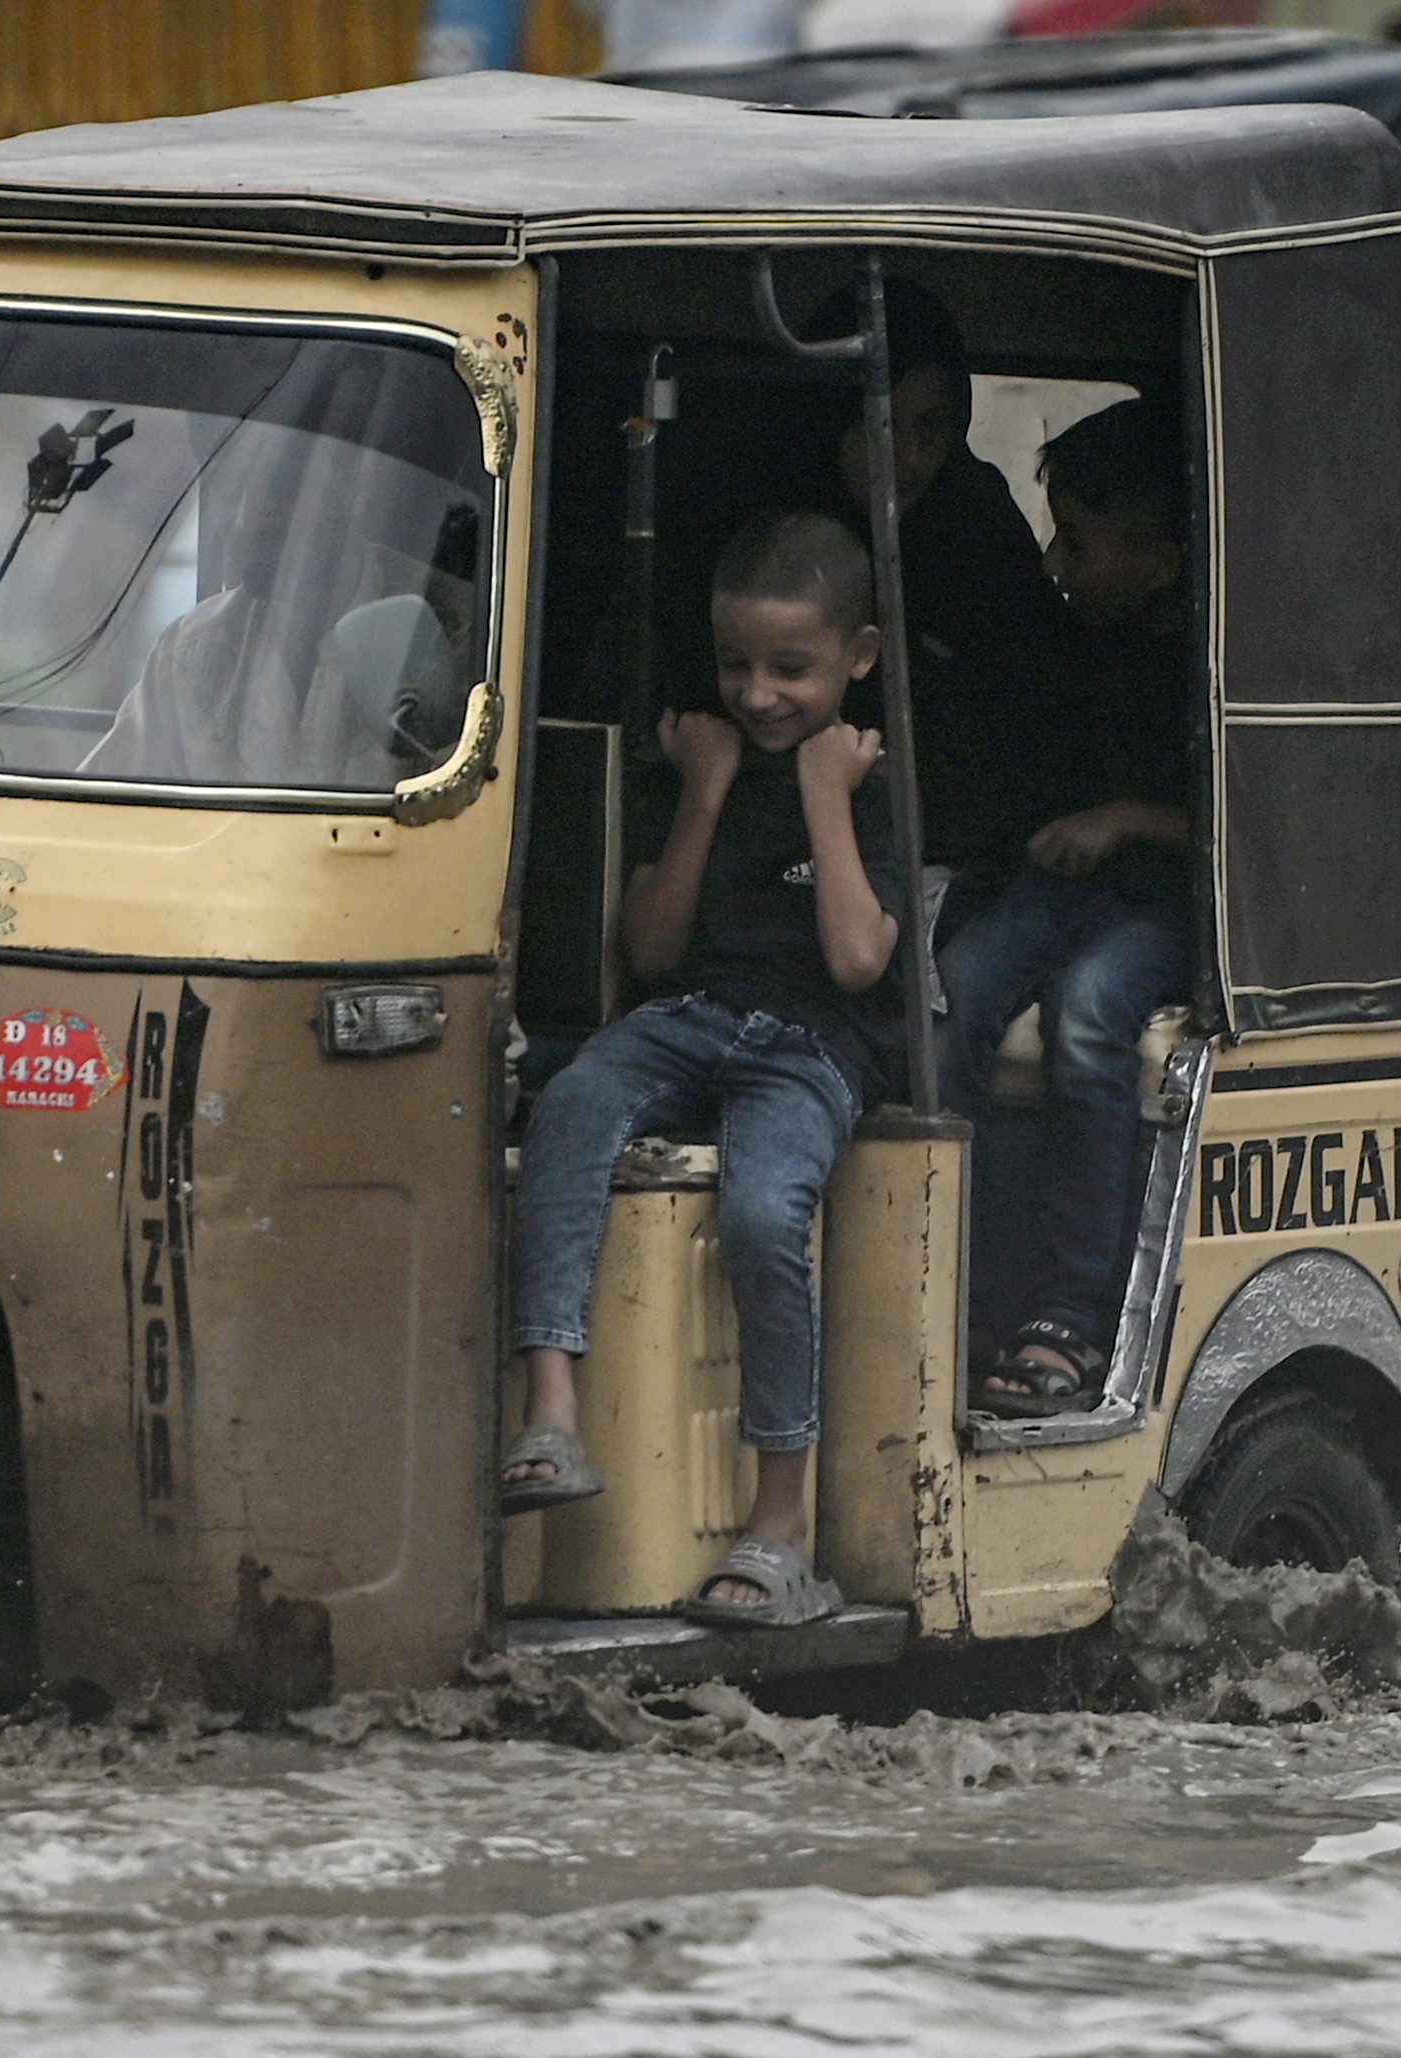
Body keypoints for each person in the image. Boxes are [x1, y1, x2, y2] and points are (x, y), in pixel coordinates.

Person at [497, 512, 906, 1628]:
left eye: (792, 670)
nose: (760, 695)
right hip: (693, 1013)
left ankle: (781, 1525)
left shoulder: (869, 774)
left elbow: (858, 958)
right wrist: (704, 791)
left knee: (766, 1216)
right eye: (737, 666)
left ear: (856, 660)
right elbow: (653, 947)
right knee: (572, 1101)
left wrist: (824, 793)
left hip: (809, 1048)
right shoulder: (705, 758)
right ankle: (551, 1411)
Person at [942, 399, 1195, 1416]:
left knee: (1090, 1015)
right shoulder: (1067, 636)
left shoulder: (1209, 663)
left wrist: (1123, 820)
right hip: (1057, 892)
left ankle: (1070, 1310)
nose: (1053, 563)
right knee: (951, 990)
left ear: (1162, 561)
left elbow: (1238, 825)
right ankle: (945, 1279)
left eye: (1077, 545)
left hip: (1152, 910)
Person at [792, 277, 1078, 905]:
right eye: (884, 426)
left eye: (933, 428)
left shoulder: (975, 521)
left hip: (960, 862)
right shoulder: (772, 519)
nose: (912, 457)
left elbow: (1037, 707)